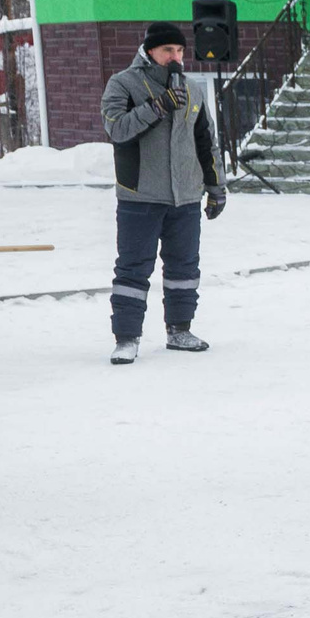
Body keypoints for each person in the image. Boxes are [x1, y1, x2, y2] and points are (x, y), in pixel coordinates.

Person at [100, 22, 226, 364]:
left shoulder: (193, 89)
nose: (175, 57)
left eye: (180, 51)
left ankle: (179, 330)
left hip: (185, 196)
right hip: (140, 196)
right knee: (132, 269)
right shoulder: (123, 84)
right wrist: (157, 107)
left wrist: (216, 187)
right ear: (149, 51)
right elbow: (116, 129)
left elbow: (206, 143)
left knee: (184, 268)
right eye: (168, 50)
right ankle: (127, 338)